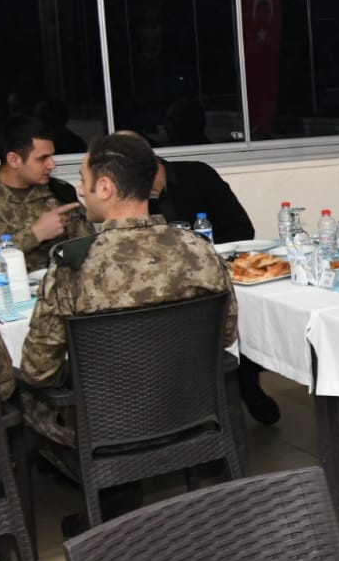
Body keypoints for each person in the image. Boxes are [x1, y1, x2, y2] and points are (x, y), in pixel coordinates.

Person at [20, 133, 238, 450]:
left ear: (105, 188)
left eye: (84, 180)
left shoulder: (73, 267)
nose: (80, 191)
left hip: (106, 429)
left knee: (23, 398)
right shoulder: (199, 250)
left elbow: (38, 370)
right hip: (192, 410)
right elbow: (226, 334)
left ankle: (111, 489)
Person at [127, 133, 280, 426]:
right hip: (164, 287)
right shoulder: (132, 203)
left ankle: (247, 384)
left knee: (234, 306)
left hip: (215, 271)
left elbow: (241, 228)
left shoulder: (198, 175)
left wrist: (205, 261)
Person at [0, 115, 91, 270]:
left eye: (51, 156)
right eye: (42, 158)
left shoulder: (60, 193)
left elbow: (90, 250)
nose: (52, 164)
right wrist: (35, 234)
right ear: (13, 160)